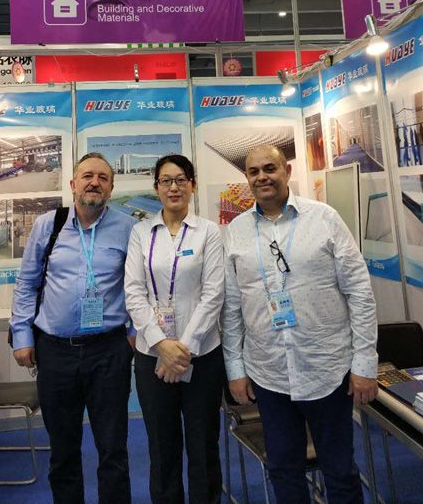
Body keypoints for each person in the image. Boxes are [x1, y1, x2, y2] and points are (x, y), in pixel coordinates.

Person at [222, 144, 378, 504]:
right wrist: (235, 369)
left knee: (340, 470)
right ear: (246, 178)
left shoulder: (324, 219)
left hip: (327, 367)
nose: (262, 177)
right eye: (254, 171)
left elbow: (360, 292)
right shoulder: (237, 231)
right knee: (283, 469)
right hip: (269, 373)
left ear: (287, 171)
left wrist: (364, 363)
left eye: (270, 168)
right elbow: (232, 307)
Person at [10, 152, 135, 504]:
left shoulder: (127, 228)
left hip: (108, 352)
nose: (94, 182)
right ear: (73, 184)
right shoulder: (47, 225)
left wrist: (133, 335)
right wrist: (22, 335)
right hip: (55, 353)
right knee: (63, 450)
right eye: (87, 176)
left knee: (113, 448)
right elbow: (27, 283)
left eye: (103, 178)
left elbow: (138, 287)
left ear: (111, 188)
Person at [124, 154, 225, 504]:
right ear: (156, 188)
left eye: (181, 179)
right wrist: (161, 345)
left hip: (202, 356)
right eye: (166, 180)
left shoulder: (208, 231)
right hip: (152, 359)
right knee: (162, 446)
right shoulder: (140, 233)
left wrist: (182, 350)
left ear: (193, 185)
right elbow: (133, 292)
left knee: (203, 444)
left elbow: (214, 294)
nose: (174, 187)